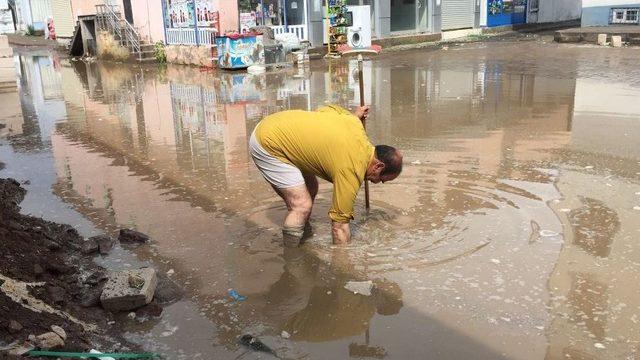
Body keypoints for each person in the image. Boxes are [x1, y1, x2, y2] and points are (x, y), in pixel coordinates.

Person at [250, 105, 403, 246]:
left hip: (274, 124)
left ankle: (302, 233)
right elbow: (339, 228)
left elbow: (325, 109)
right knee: (301, 205)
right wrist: (343, 266)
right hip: (267, 144)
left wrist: (355, 116)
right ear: (378, 166)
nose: (377, 183)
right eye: (381, 180)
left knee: (311, 188)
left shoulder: (353, 123)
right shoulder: (352, 170)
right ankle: (292, 258)